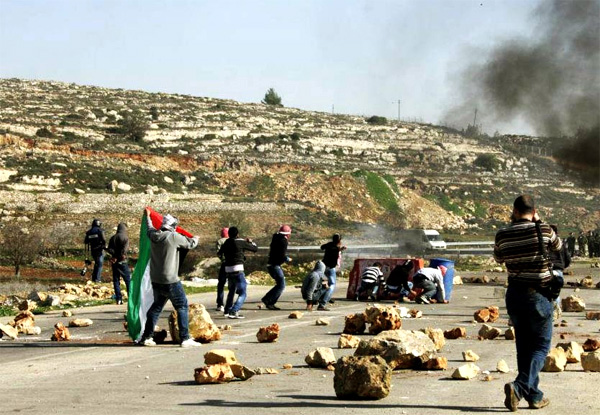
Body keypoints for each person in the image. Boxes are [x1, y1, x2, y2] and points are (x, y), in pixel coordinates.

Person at [494, 195, 561, 411]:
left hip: (514, 294)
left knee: (523, 349)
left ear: (514, 211)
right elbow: (558, 248)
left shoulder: (502, 234)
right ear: (534, 211)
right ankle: (520, 387)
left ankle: (535, 396)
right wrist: (539, 222)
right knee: (541, 347)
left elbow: (498, 259)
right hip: (538, 295)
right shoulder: (544, 230)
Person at [138, 209, 202, 347]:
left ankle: (147, 337)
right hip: (170, 279)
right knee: (182, 306)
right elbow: (190, 244)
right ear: (172, 226)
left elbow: (149, 227)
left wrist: (148, 216)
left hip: (156, 278)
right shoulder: (173, 237)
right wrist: (196, 238)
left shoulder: (154, 235)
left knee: (156, 307)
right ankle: (185, 338)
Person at [218, 226, 257, 319]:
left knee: (231, 290)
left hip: (228, 269)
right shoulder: (240, 242)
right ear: (237, 234)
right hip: (238, 269)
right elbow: (255, 249)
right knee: (243, 293)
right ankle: (234, 310)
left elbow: (219, 253)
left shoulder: (226, 242)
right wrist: (250, 242)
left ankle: (227, 310)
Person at [262, 225, 292, 310]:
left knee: (279, 284)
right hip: (275, 265)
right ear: (287, 234)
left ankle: (267, 299)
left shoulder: (276, 238)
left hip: (271, 264)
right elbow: (281, 254)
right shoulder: (283, 241)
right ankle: (269, 301)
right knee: (281, 285)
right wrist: (286, 258)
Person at [319, 234, 346, 311]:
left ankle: (326, 297)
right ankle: (322, 303)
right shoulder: (336, 248)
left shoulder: (330, 245)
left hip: (323, 267)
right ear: (339, 240)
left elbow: (322, 247)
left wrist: (338, 248)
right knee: (332, 285)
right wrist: (340, 249)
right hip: (330, 268)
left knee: (324, 283)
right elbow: (335, 250)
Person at [107, 222, 131, 305]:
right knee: (128, 280)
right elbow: (125, 250)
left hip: (114, 261)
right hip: (122, 261)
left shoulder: (113, 238)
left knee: (116, 280)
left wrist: (115, 256)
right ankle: (130, 297)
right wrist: (120, 256)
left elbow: (110, 249)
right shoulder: (125, 238)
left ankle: (119, 299)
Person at [84, 218, 106, 283]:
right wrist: (103, 245)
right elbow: (104, 240)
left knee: (97, 264)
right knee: (100, 264)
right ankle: (97, 279)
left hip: (93, 250)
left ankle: (94, 278)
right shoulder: (100, 231)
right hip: (99, 250)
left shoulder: (89, 232)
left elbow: (86, 242)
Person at [215, 227, 229, 312]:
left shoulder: (220, 241)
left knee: (221, 284)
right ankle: (230, 304)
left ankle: (220, 304)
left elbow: (219, 253)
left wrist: (223, 260)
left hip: (225, 264)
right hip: (233, 264)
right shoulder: (233, 240)